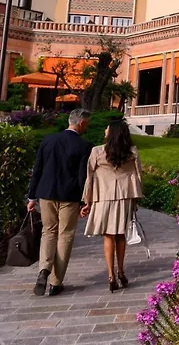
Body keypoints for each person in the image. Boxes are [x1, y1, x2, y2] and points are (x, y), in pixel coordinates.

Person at [28, 108, 93, 297]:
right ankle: (56, 282)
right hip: (69, 196)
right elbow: (82, 177)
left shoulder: (48, 140)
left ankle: (43, 269)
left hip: (46, 193)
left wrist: (31, 197)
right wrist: (84, 201)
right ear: (81, 123)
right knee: (65, 235)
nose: (86, 128)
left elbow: (37, 169)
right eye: (86, 124)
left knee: (48, 231)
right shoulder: (84, 145)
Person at [81, 119, 144, 292]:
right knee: (121, 235)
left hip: (103, 197)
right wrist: (135, 200)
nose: (105, 131)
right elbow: (137, 177)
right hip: (124, 198)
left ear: (112, 132)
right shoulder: (132, 152)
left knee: (108, 236)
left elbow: (90, 177)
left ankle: (110, 275)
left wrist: (87, 202)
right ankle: (121, 271)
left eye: (107, 128)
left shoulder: (97, 151)